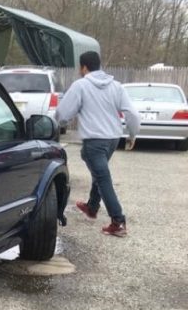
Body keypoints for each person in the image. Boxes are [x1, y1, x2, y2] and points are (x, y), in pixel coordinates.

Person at [55, 51, 140, 237]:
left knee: (102, 177)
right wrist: (132, 134)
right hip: (112, 140)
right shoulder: (117, 86)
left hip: (94, 141)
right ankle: (92, 207)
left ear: (84, 67)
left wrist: (57, 124)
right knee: (100, 172)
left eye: (80, 68)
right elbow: (133, 114)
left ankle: (118, 221)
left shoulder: (81, 86)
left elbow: (63, 113)